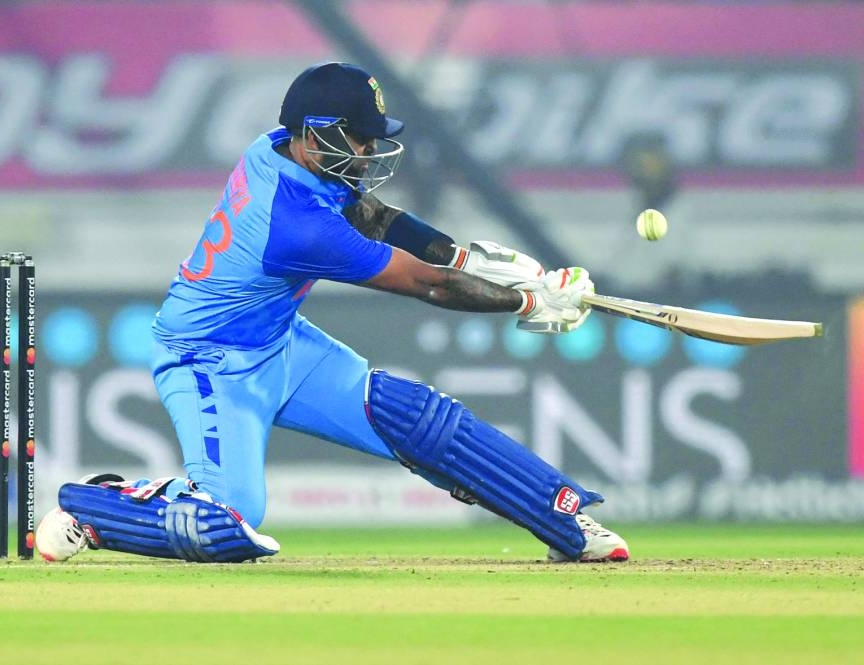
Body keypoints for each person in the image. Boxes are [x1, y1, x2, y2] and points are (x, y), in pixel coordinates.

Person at [35, 62, 629, 564]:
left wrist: (468, 255)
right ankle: (97, 507)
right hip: (207, 361)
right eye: (360, 138)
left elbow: (372, 215)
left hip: (280, 344)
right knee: (226, 526)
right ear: (316, 135)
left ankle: (564, 519)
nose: (370, 150)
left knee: (418, 418)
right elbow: (427, 287)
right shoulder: (297, 228)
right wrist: (527, 299)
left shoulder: (276, 148)